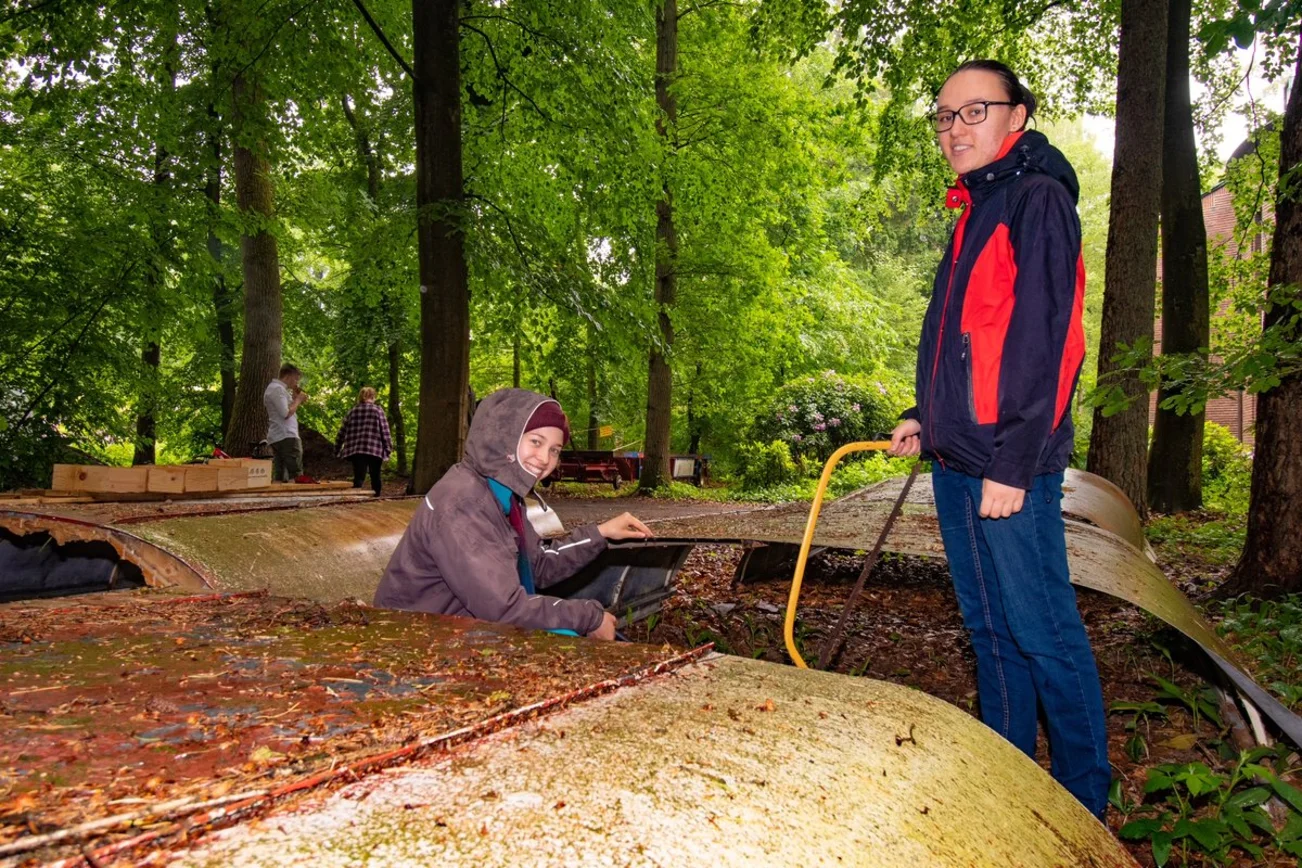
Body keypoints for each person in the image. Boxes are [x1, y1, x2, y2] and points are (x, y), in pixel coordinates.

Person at [888, 59, 1111, 818]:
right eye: (944, 116)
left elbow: (1050, 344)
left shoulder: (1037, 200)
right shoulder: (972, 211)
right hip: (960, 461)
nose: (955, 129)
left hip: (1009, 467)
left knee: (1042, 630)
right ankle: (1010, 790)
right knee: (989, 631)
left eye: (973, 111)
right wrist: (929, 416)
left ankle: (1085, 809)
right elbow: (967, 341)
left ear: (1017, 116)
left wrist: (1014, 463)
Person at [374, 388, 654, 639]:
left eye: (554, 450)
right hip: (413, 641)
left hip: (456, 628)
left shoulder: (504, 495)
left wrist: (600, 533)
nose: (545, 459)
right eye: (535, 442)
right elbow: (502, 607)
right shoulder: (463, 501)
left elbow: (538, 565)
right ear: (503, 437)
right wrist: (589, 617)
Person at [335, 386, 392, 495]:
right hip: (375, 449)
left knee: (359, 476)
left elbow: (342, 431)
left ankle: (356, 497)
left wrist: (337, 449)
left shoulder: (352, 411)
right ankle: (376, 498)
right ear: (373, 397)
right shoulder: (378, 410)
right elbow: (385, 431)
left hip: (357, 450)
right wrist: (388, 449)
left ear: (360, 397)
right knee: (375, 475)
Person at [263, 364, 307, 483]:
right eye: (296, 378)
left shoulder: (278, 389)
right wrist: (298, 400)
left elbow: (284, 410)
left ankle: (280, 498)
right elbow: (285, 413)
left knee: (282, 474)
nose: (296, 382)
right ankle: (298, 499)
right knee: (296, 473)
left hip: (280, 435)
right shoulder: (277, 389)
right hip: (286, 435)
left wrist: (294, 400)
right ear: (288, 376)